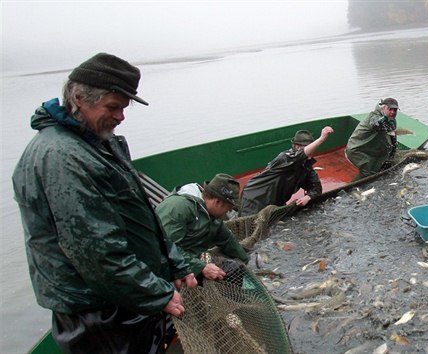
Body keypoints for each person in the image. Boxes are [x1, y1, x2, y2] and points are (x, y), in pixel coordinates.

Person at [12, 53, 197, 354]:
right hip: (96, 312)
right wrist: (156, 294)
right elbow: (96, 252)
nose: (121, 116)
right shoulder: (62, 157)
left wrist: (174, 262)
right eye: (113, 106)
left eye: (124, 108)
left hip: (125, 296)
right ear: (78, 98)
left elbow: (141, 214)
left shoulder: (97, 141)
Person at [156, 174, 250, 284]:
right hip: (163, 267)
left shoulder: (211, 214)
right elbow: (165, 248)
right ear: (217, 202)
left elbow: (227, 239)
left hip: (191, 259)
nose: (228, 212)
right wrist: (201, 267)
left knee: (235, 267)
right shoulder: (178, 208)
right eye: (228, 208)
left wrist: (246, 261)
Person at [239, 126, 334, 216]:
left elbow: (316, 188)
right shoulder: (284, 158)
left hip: (275, 203)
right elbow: (299, 155)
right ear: (296, 147)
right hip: (254, 199)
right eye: (309, 147)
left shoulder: (306, 166)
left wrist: (308, 197)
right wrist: (321, 139)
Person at [346, 98, 399, 179]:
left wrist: (392, 155)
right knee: (368, 172)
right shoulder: (374, 116)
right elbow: (375, 123)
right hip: (356, 149)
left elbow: (393, 140)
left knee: (380, 168)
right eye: (390, 109)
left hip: (369, 149)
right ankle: (351, 189)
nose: (393, 112)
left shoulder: (391, 120)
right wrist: (385, 119)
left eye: (395, 110)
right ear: (383, 108)